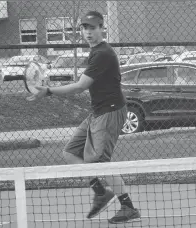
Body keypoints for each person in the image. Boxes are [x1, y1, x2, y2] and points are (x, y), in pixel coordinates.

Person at [27, 11, 141, 224]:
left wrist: (49, 91)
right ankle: (100, 192)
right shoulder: (96, 52)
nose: (88, 32)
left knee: (100, 163)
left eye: (92, 28)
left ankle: (128, 208)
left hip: (111, 111)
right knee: (70, 153)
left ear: (101, 28)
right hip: (98, 112)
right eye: (84, 28)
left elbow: (80, 86)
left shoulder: (103, 54)